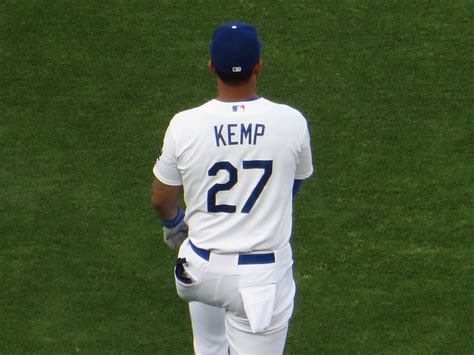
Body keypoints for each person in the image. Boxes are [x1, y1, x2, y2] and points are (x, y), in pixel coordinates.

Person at [151, 22, 313, 355]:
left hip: (200, 267)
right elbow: (291, 185)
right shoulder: (291, 121)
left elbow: (162, 198)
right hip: (260, 279)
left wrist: (174, 225)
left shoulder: (184, 124)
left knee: (209, 348)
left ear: (212, 66)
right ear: (259, 65)